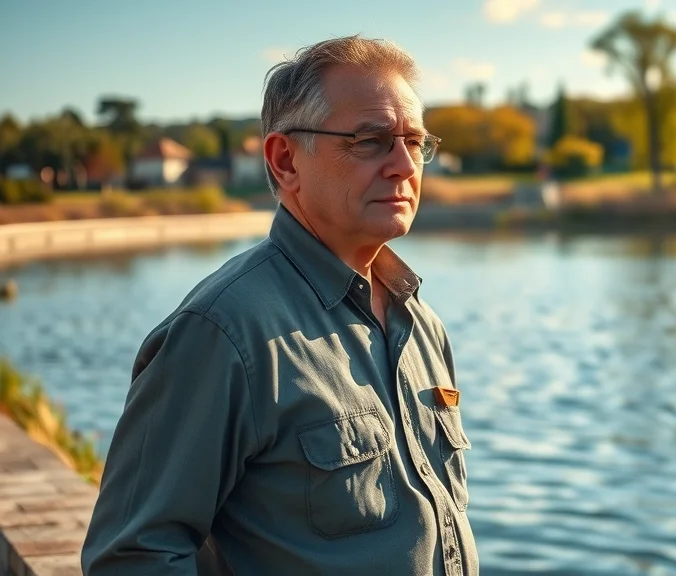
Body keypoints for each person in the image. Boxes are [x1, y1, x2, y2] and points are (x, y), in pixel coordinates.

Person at [82, 36, 477, 576]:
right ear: (286, 159)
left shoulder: (420, 323)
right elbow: (132, 557)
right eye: (371, 139)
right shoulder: (223, 332)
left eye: (414, 140)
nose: (404, 164)